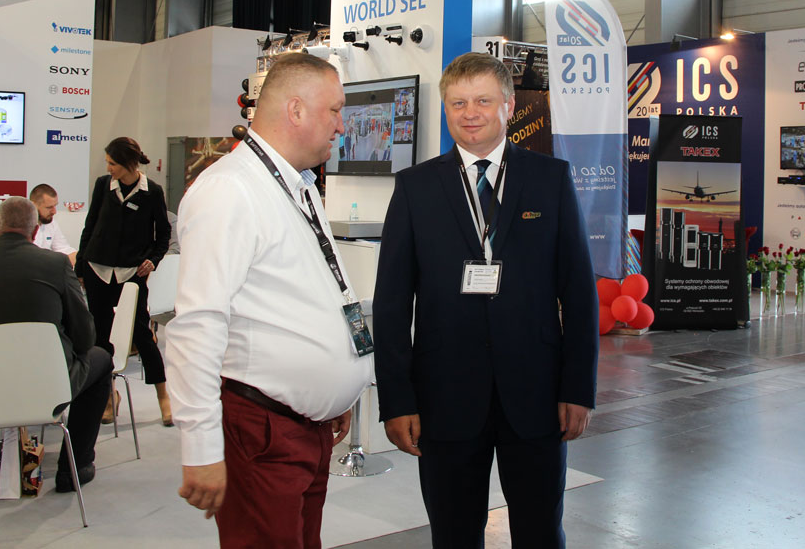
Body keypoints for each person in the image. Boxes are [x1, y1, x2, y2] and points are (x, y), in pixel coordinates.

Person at [373, 52, 599, 549]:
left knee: (541, 532)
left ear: (509, 106)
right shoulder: (415, 187)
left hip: (537, 397)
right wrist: (397, 399)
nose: (470, 113)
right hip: (444, 398)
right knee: (454, 534)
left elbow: (580, 293)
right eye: (458, 103)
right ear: (445, 109)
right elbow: (391, 304)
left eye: (482, 101)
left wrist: (579, 387)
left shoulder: (550, 179)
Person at [166, 52, 372, 549]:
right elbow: (197, 325)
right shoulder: (229, 190)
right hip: (262, 431)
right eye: (334, 110)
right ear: (295, 110)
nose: (341, 125)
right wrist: (201, 445)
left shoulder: (297, 184)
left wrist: (332, 395)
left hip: (304, 428)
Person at [0, 196, 113, 501]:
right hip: (47, 387)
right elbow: (85, 336)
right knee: (101, 359)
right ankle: (74, 467)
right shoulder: (56, 265)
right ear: (35, 232)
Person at [77, 137, 172, 426]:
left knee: (142, 335)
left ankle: (163, 396)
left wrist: (153, 260)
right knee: (101, 338)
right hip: (97, 270)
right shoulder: (102, 186)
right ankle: (108, 396)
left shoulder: (152, 192)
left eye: (113, 163)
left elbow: (163, 235)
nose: (108, 168)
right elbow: (90, 226)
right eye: (108, 163)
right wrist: (81, 266)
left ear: (129, 164)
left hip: (132, 274)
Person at [30, 183, 77, 267]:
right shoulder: (22, 226)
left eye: (55, 206)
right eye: (49, 207)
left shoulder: (51, 223)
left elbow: (63, 249)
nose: (54, 212)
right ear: (33, 205)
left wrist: (82, 256)